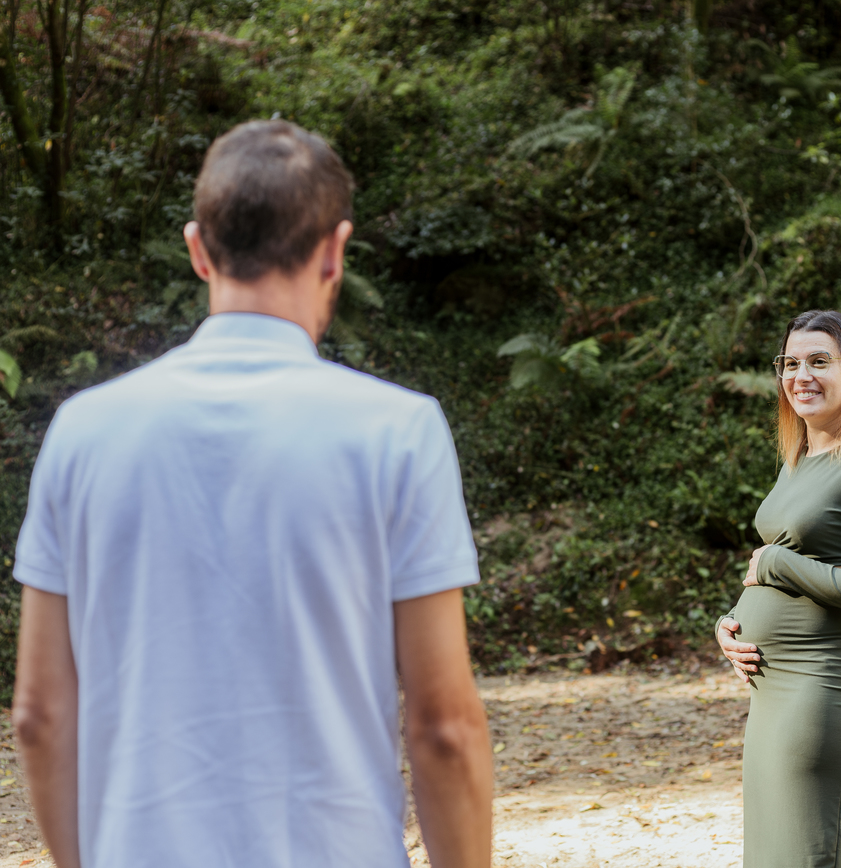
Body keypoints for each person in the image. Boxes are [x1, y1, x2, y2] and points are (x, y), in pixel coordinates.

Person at [11, 120, 493, 868]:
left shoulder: (81, 432)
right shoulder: (399, 432)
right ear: (335, 249)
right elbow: (443, 728)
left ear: (198, 249)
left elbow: (39, 717)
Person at [715, 310, 841, 868]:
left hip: (823, 693)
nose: (802, 374)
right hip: (771, 699)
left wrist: (777, 565)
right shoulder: (798, 459)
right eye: (791, 362)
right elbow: (784, 563)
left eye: (820, 361)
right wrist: (731, 623)